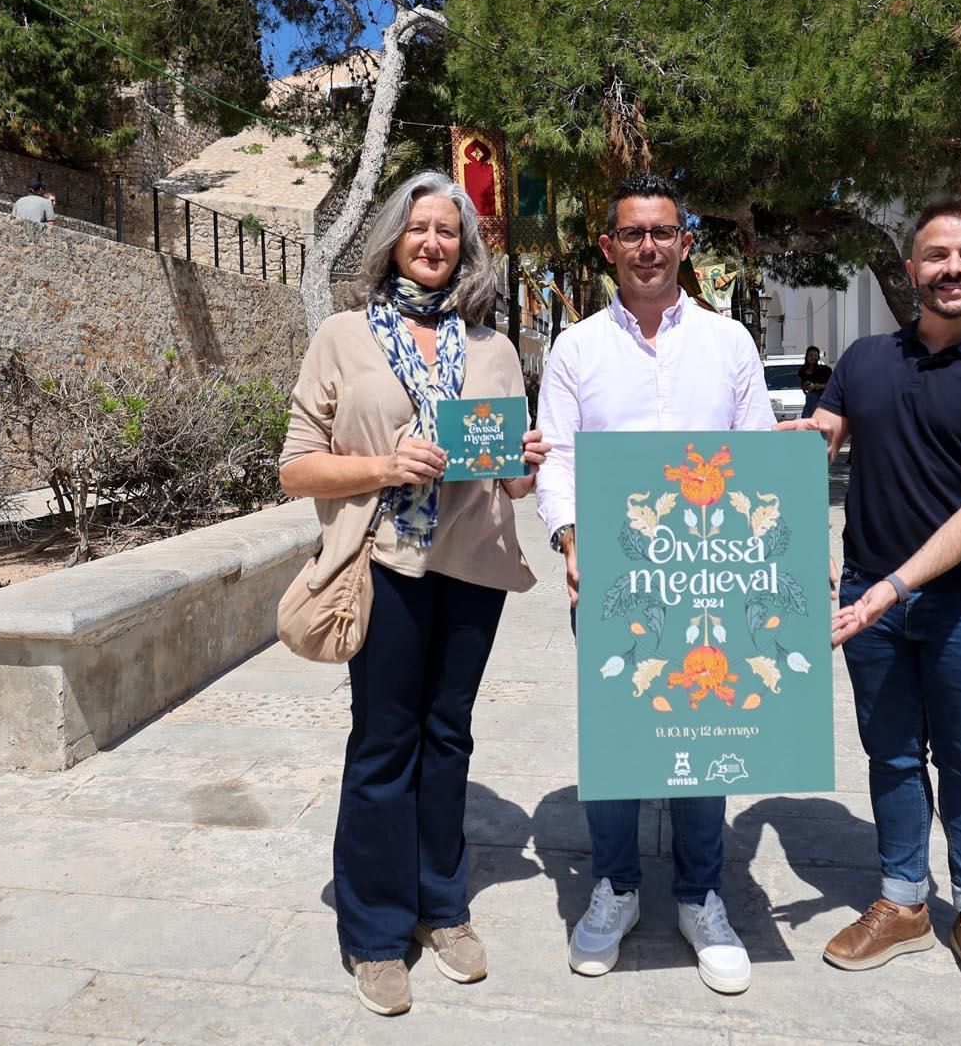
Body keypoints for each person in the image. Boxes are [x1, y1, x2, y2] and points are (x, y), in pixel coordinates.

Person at [279, 170, 549, 1017]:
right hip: (385, 562)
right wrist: (384, 465)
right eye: (418, 227)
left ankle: (443, 904)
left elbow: (508, 486)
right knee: (384, 741)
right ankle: (374, 930)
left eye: (448, 231)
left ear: (465, 249)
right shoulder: (344, 335)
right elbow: (294, 466)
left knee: (449, 736)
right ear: (393, 237)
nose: (433, 242)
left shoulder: (494, 349)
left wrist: (522, 465)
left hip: (471, 565)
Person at [782, 195, 961, 1017]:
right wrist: (788, 444)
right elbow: (822, 432)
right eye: (937, 255)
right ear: (911, 271)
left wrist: (894, 587)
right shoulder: (865, 359)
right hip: (868, 596)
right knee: (892, 753)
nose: (954, 268)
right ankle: (902, 902)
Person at [537, 172, 774, 995]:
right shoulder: (575, 349)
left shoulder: (729, 344)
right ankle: (617, 886)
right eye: (632, 233)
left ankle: (702, 894)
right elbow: (559, 458)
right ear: (608, 248)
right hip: (611, 578)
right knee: (617, 737)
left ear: (685, 244)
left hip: (710, 574)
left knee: (708, 736)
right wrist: (569, 540)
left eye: (662, 232)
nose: (648, 246)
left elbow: (760, 459)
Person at [797, 345, 832, 419]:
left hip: (821, 399)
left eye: (815, 355)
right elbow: (801, 385)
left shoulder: (824, 370)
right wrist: (806, 386)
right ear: (807, 356)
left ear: (818, 357)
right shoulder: (803, 370)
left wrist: (815, 386)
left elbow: (831, 385)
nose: (813, 358)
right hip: (809, 400)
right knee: (806, 421)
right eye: (811, 355)